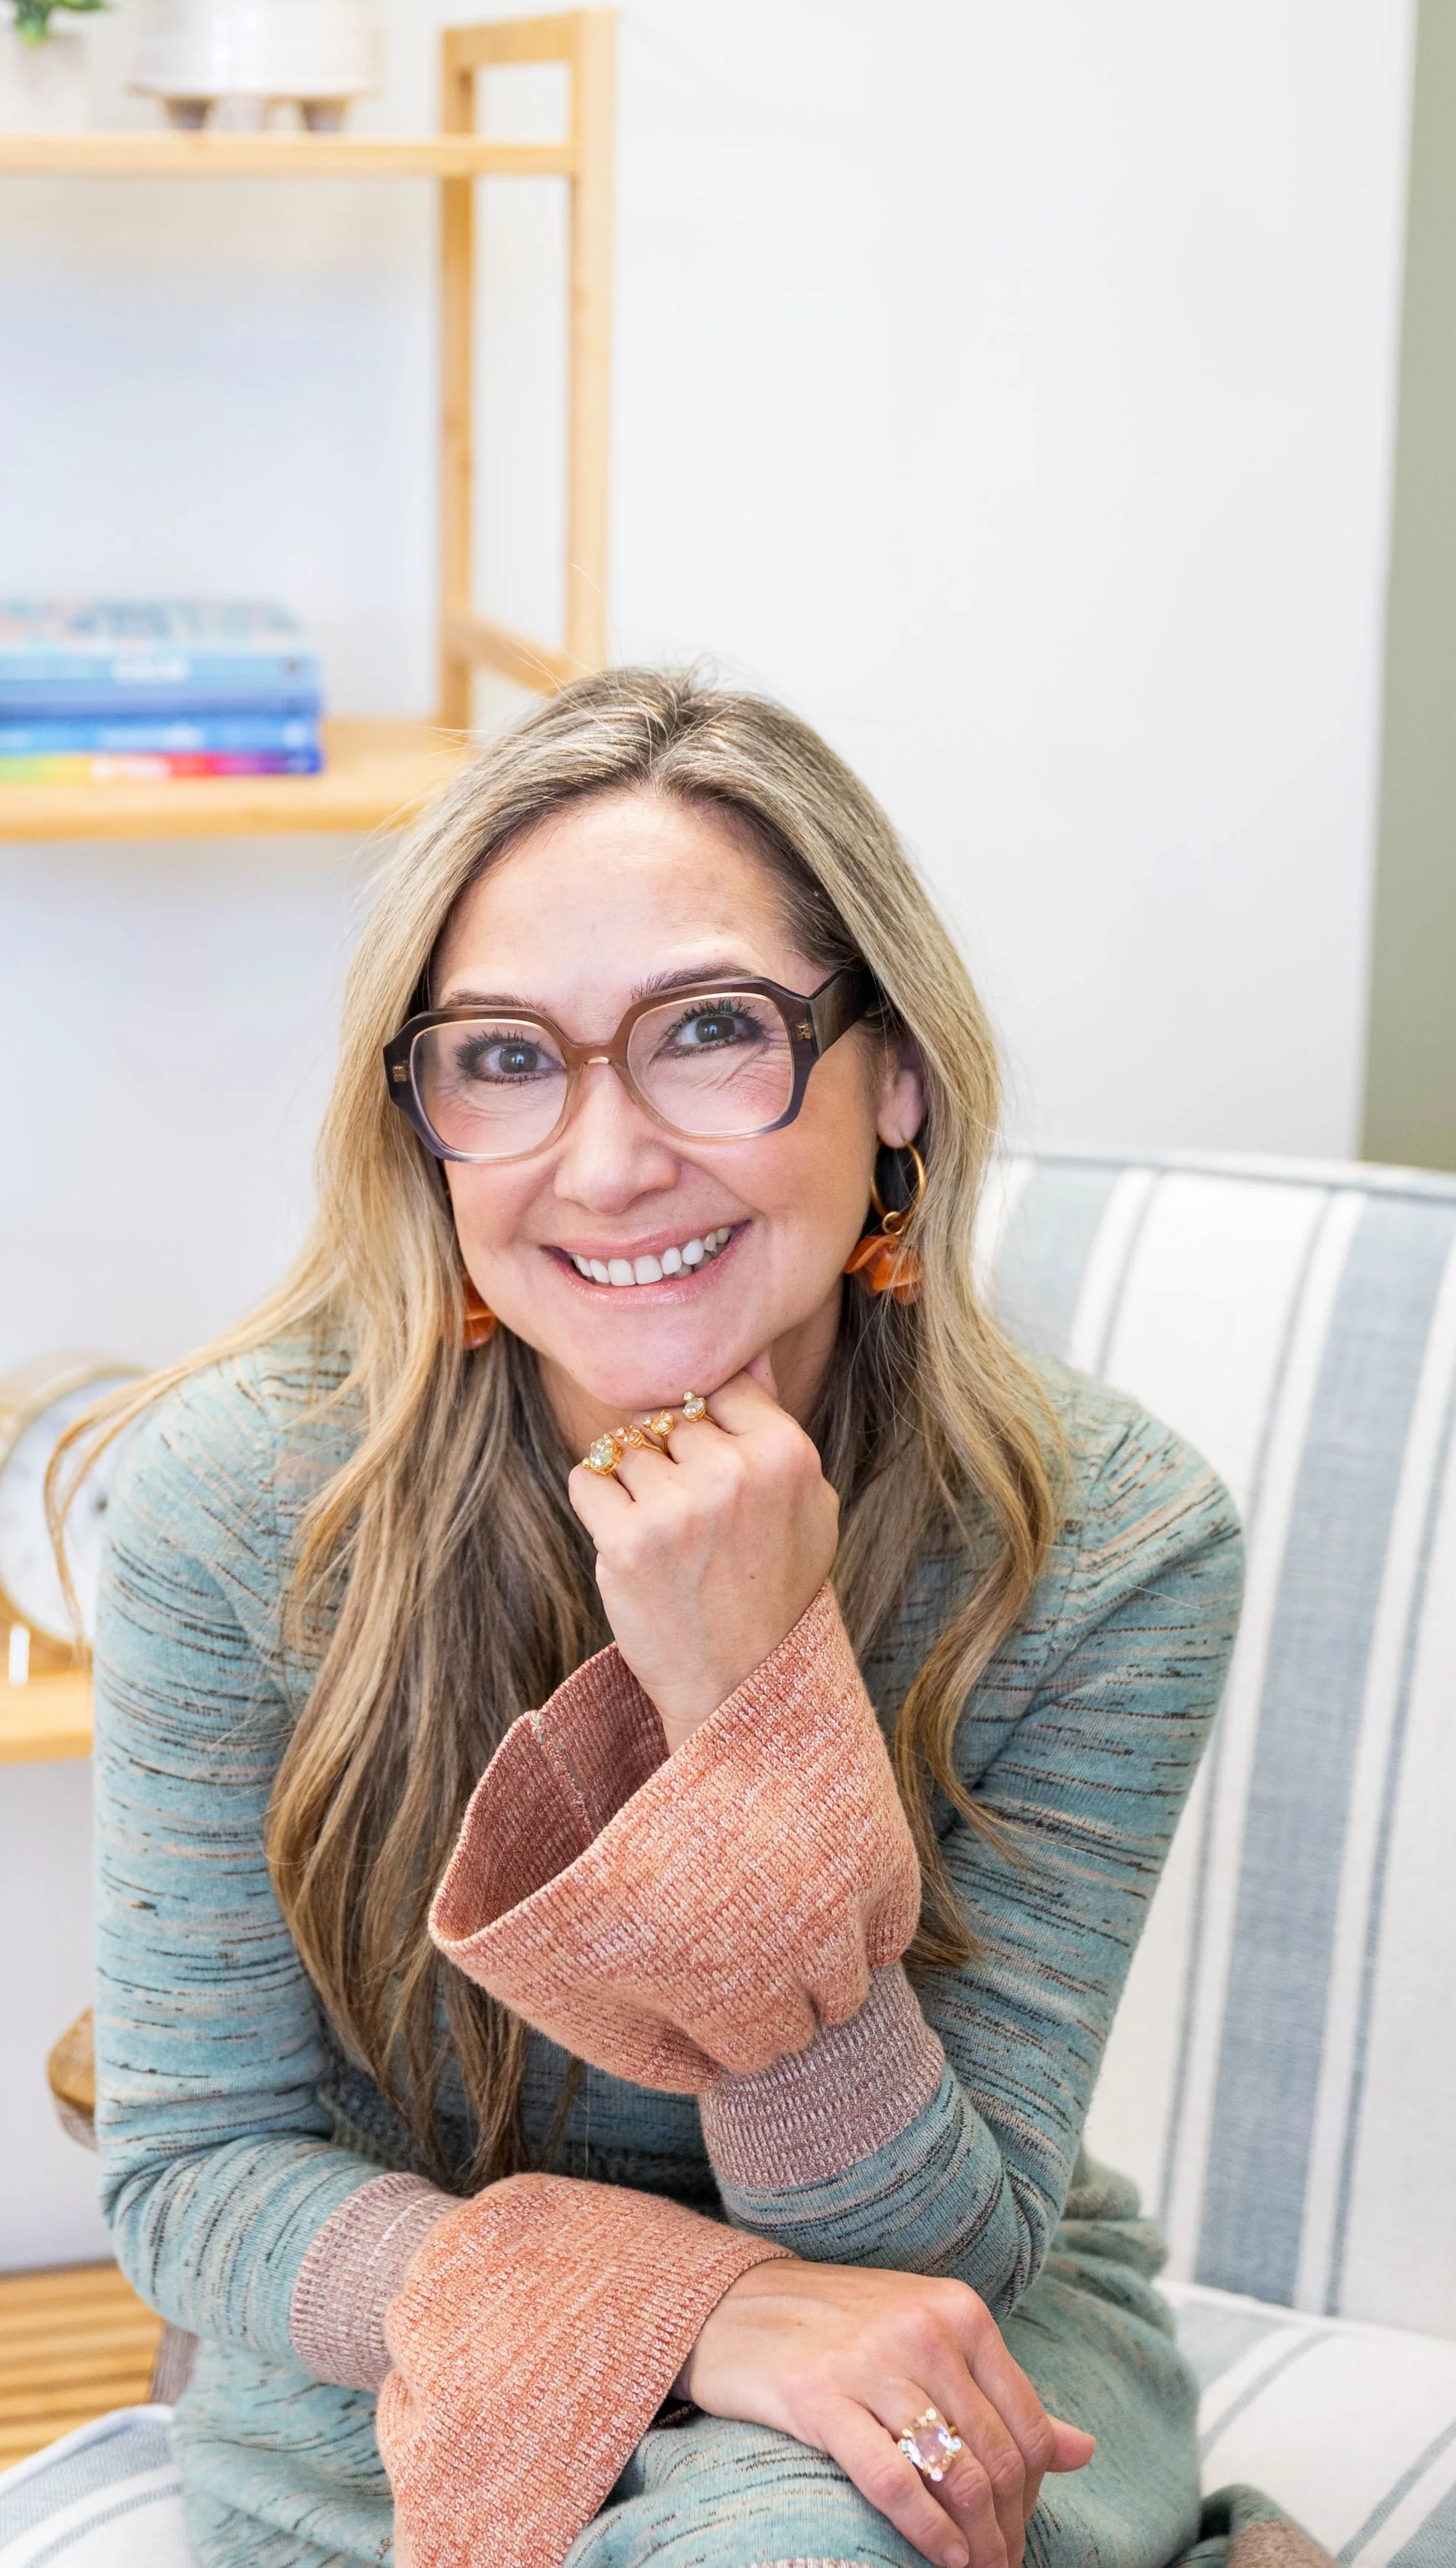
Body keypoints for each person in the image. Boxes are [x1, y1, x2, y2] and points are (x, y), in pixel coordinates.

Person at [82, 671, 1308, 2568]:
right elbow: (187, 2175)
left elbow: (922, 2255)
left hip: (933, 2349)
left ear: (890, 1071)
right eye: (502, 1057)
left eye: (710, 1034)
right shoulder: (234, 1506)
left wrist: (751, 1712)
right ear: (422, 1119)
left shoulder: (1105, 1545)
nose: (603, 1160)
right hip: (407, 2379)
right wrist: (693, 2311)